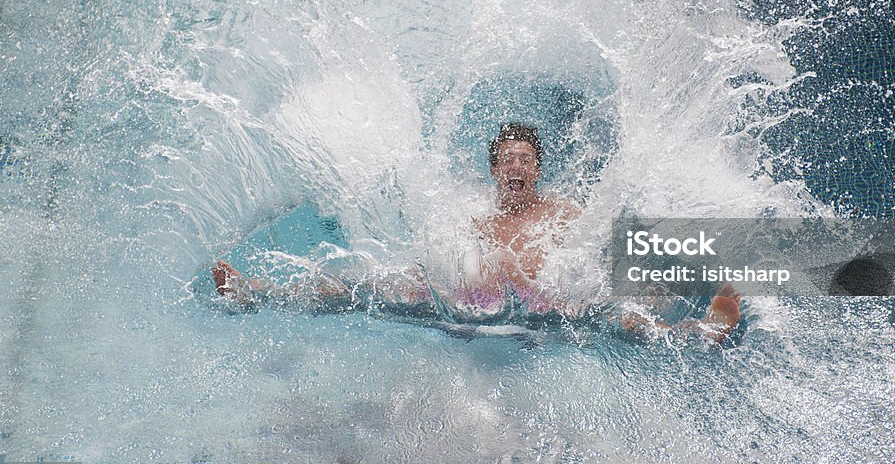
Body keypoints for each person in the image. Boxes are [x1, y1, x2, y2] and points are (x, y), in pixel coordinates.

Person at [212, 122, 741, 343]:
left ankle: (694, 334)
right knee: (356, 289)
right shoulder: (473, 217)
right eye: (507, 159)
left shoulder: (565, 211)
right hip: (473, 307)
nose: (516, 166)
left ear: (537, 170)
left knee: (624, 311)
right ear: (494, 171)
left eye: (525, 159)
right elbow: (443, 259)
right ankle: (257, 295)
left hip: (547, 306)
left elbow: (602, 258)